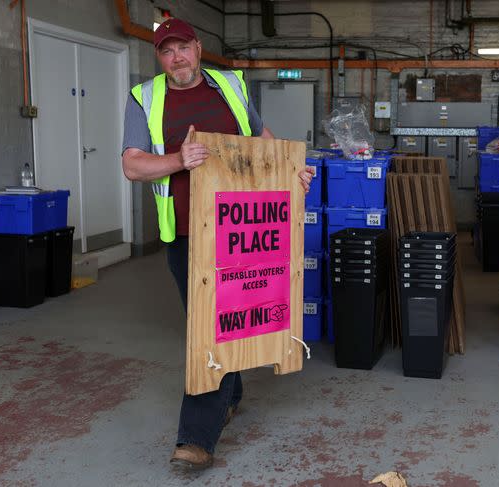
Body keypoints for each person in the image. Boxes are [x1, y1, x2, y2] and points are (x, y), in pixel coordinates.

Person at [121, 18, 314, 471]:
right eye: (167, 52)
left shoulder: (231, 86)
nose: (177, 59)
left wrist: (293, 173)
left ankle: (197, 438)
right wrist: (178, 160)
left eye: (183, 48)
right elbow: (132, 166)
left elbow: (263, 144)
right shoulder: (144, 99)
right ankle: (231, 393)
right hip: (188, 236)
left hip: (241, 233)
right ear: (158, 57)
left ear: (198, 46)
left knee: (215, 329)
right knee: (212, 327)